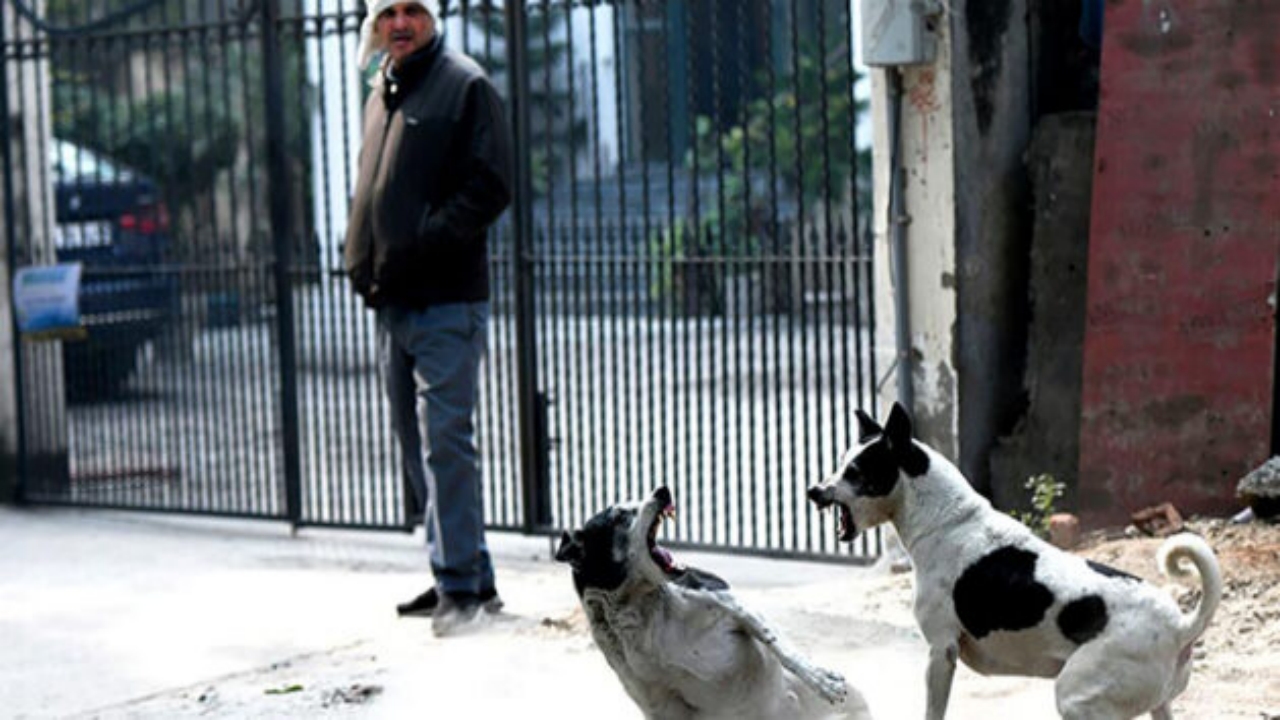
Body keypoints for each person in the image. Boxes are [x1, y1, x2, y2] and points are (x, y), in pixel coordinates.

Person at [345, 0, 513, 636]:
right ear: (376, 24)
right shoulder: (382, 90)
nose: (401, 23)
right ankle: (466, 570)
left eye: (413, 10)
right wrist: (358, 258)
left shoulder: (464, 84)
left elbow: (492, 184)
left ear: (431, 18)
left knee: (447, 442)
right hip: (392, 300)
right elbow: (371, 188)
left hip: (446, 298)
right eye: (389, 12)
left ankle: (461, 590)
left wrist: (424, 240)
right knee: (417, 447)